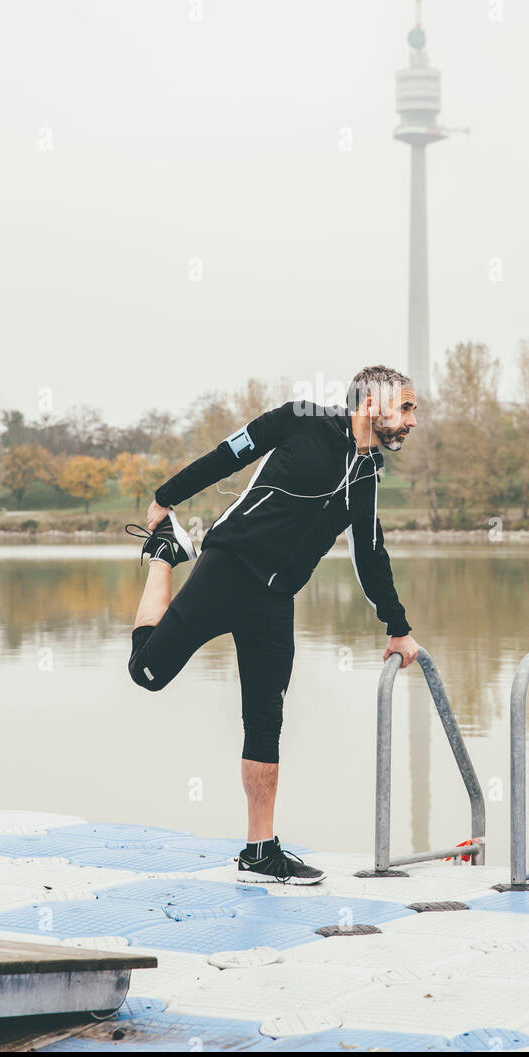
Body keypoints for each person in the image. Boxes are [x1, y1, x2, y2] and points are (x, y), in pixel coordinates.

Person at [125, 365, 420, 885]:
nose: (413, 420)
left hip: (275, 601)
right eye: (408, 407)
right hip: (227, 569)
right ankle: (164, 558)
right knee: (148, 673)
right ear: (373, 404)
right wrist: (166, 497)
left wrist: (397, 626)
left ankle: (260, 852)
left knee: (266, 725)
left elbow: (371, 556)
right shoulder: (298, 421)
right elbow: (227, 455)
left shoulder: (369, 473)